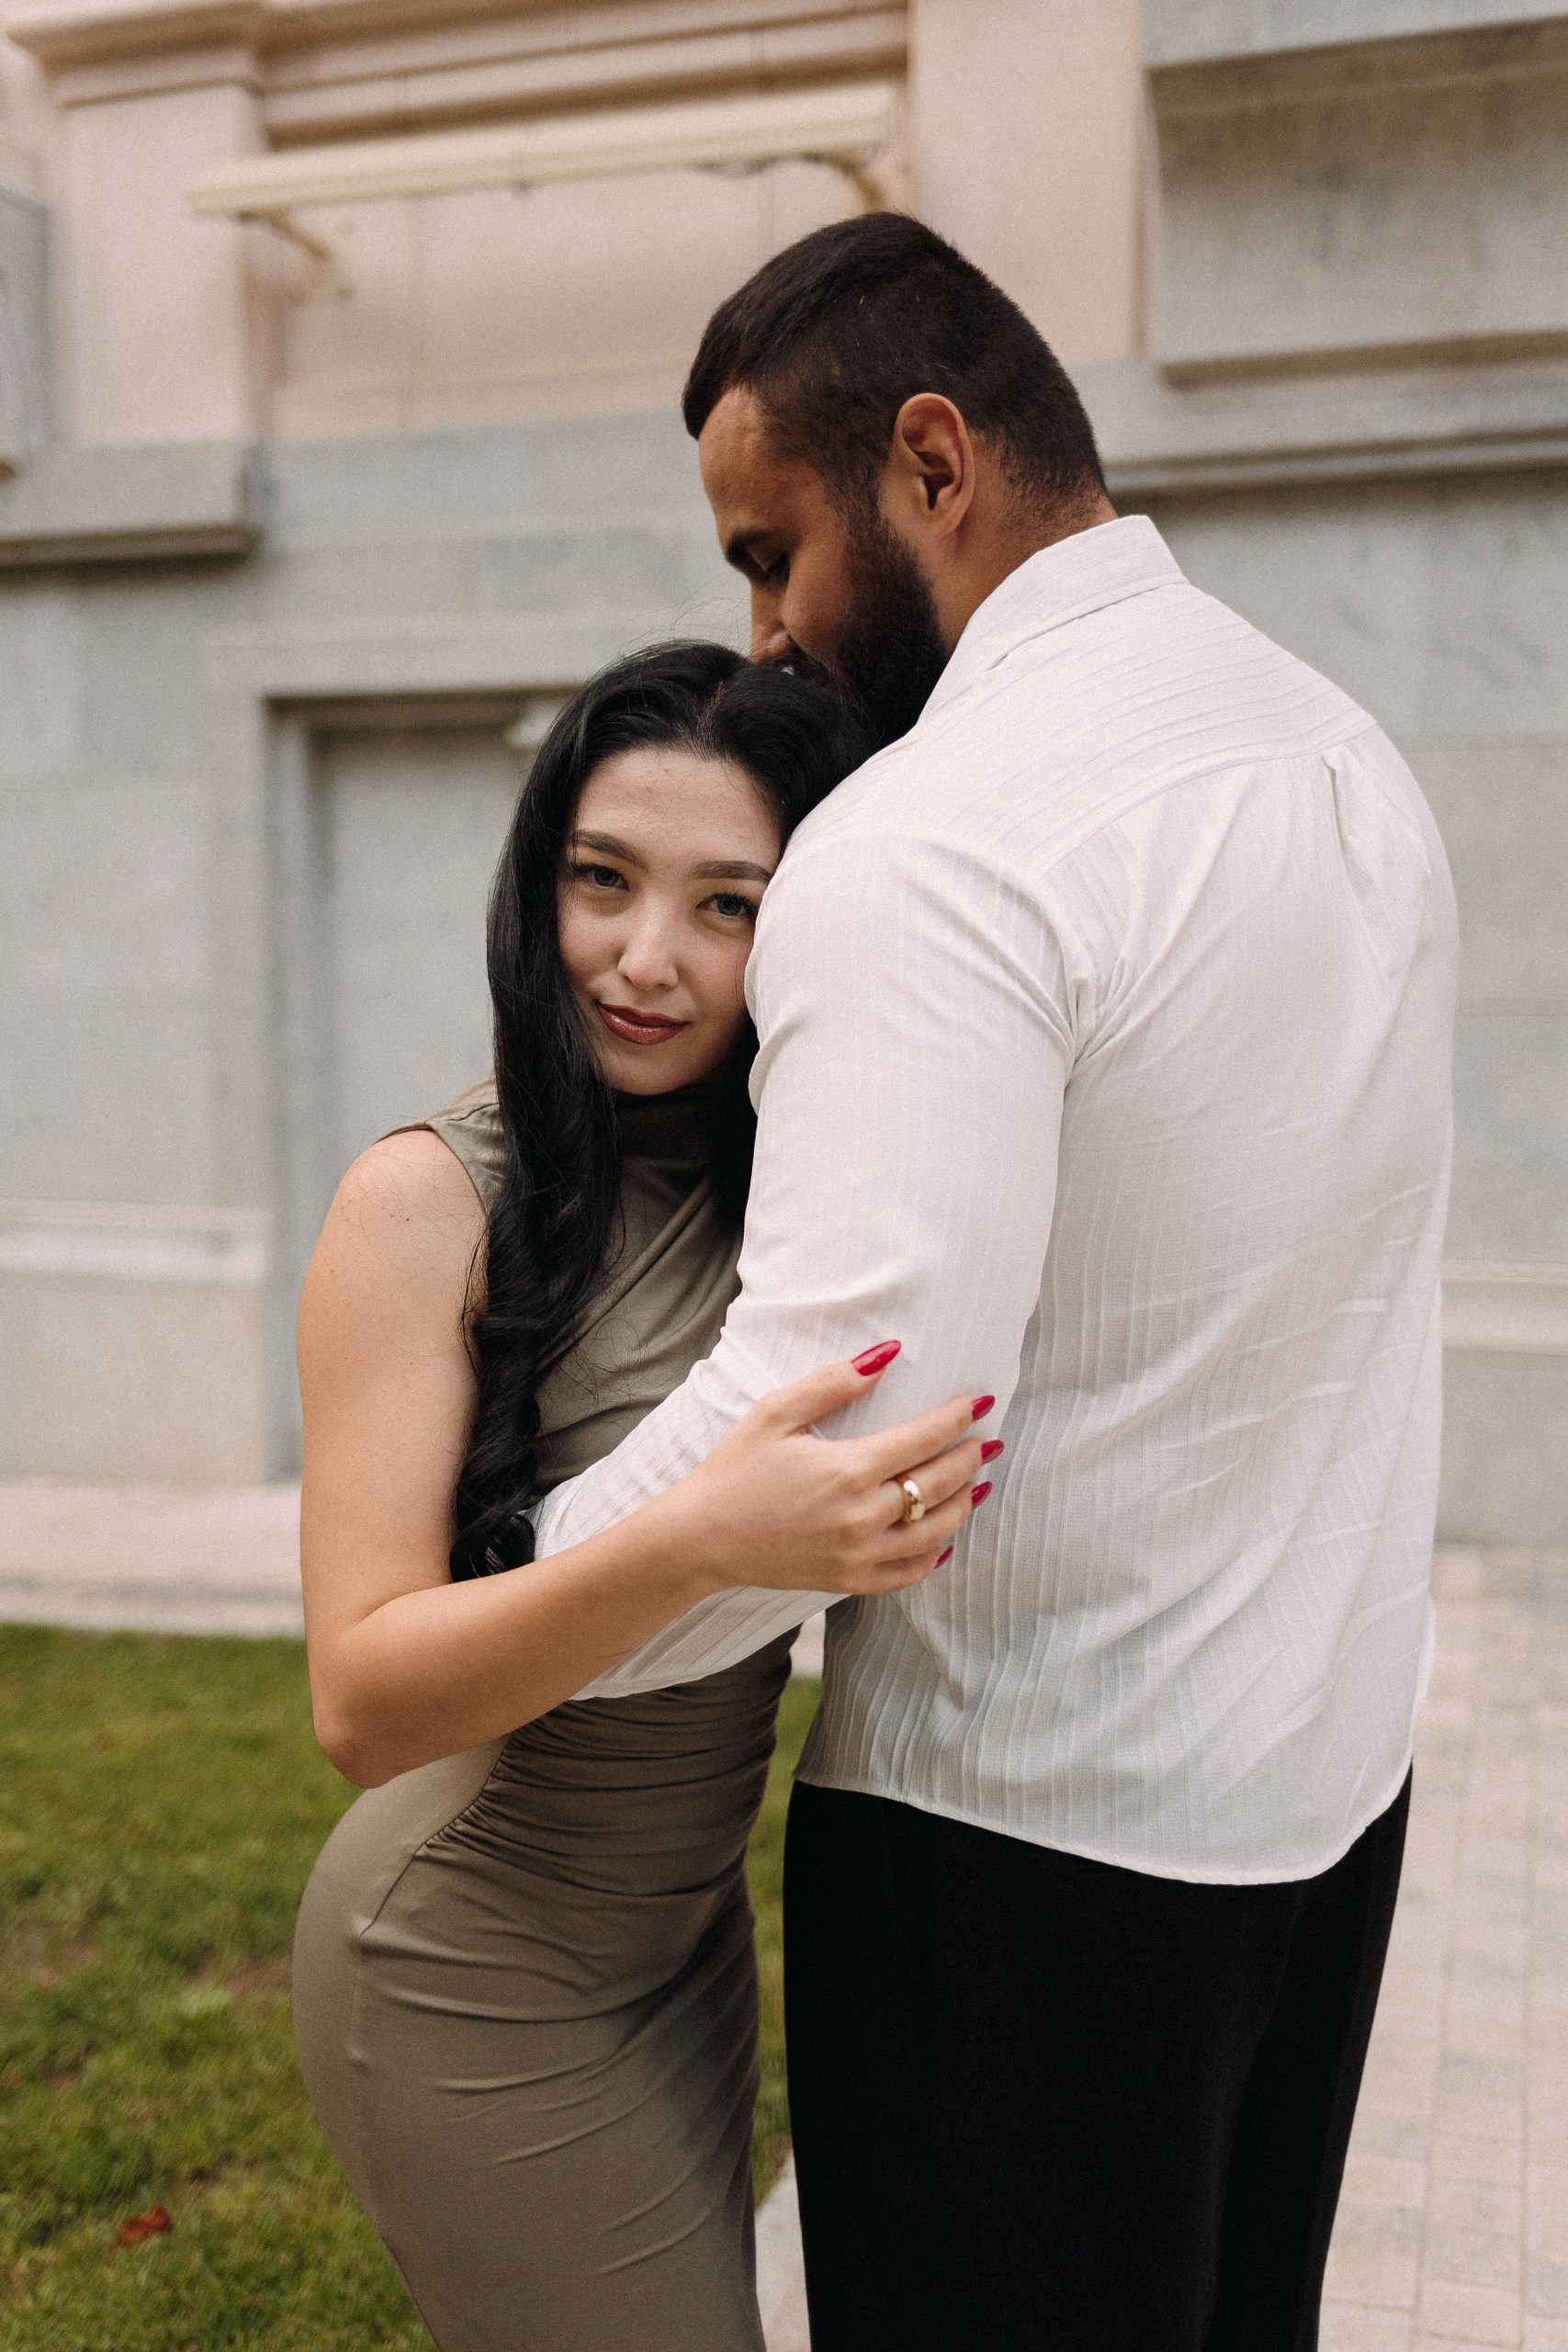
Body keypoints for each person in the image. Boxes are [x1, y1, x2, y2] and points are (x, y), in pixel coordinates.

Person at [523, 215, 1460, 2351]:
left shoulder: (932, 839)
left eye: (770, 553)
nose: (758, 636)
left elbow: (836, 1441)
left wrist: (497, 1586)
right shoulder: (1341, 750)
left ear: (931, 461)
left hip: (1025, 1863)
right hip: (1318, 1807)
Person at [289, 642, 997, 2352]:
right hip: (468, 1952)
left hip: (684, 1944)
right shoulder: (424, 1202)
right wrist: (696, 1542)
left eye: (725, 905)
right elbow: (361, 1701)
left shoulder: (807, 1185)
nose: (643, 957)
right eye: (600, 879)